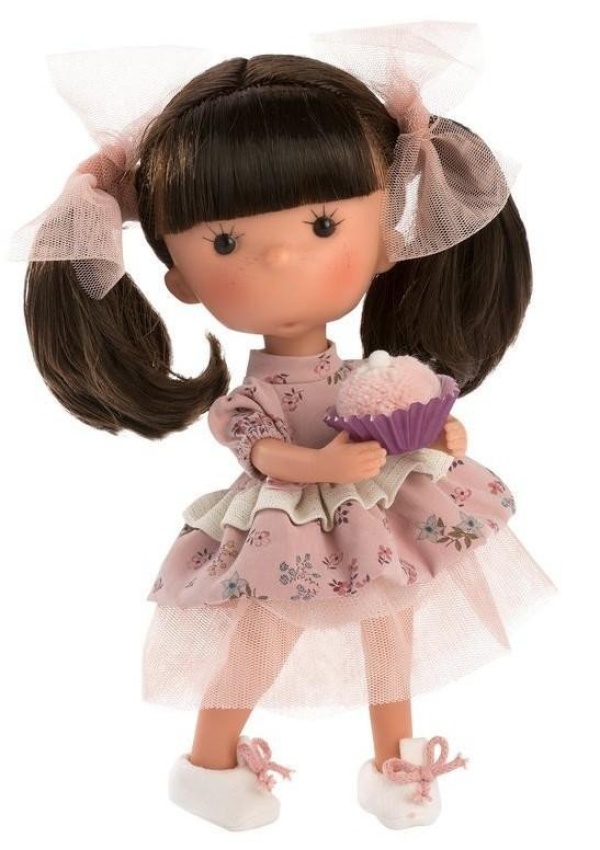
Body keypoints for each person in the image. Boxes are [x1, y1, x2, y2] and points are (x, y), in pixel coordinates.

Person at [13, 22, 556, 833]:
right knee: (258, 640)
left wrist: (436, 439)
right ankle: (208, 763)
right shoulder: (252, 397)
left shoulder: (366, 371)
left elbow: (398, 412)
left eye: (323, 226)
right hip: (285, 527)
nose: (278, 260)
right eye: (228, 242)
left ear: (386, 241)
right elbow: (259, 450)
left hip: (378, 511)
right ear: (181, 279)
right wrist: (321, 467)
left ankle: (394, 763)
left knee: (393, 631)